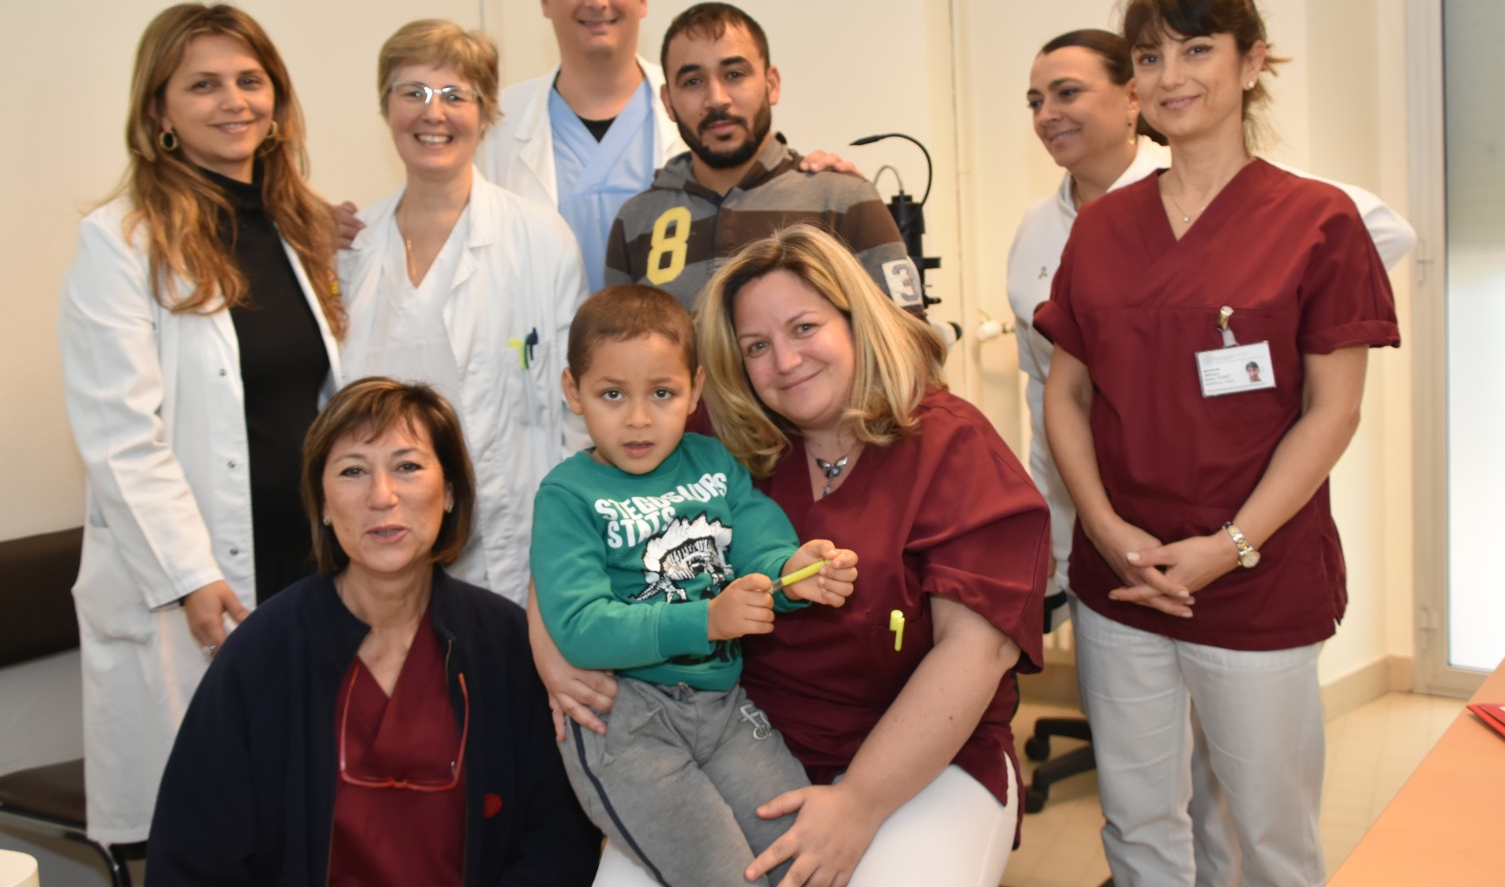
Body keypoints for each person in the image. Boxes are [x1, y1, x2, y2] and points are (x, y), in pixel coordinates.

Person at [1034, 0, 1401, 886]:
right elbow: (1066, 396)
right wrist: (1106, 532)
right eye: (1150, 57)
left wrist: (1229, 547)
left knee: (1267, 836)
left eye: (1197, 49)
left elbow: (1333, 411)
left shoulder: (1318, 222)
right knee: (1138, 826)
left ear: (1252, 61)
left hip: (1256, 579)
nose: (1172, 77)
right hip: (1122, 579)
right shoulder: (1101, 229)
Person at [543, 225, 1049, 886]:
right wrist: (552, 649)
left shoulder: (952, 446)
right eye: (757, 345)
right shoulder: (710, 436)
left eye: (804, 328)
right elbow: (585, 518)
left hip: (921, 758)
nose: (784, 361)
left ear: (855, 321)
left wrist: (859, 803)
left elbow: (975, 654)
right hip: (732, 733)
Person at [1007, 28, 1416, 625]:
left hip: (1234, 525)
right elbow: (1045, 386)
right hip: (1100, 520)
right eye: (1034, 101)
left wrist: (1260, 305)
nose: (1047, 114)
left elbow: (1382, 232)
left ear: (1131, 97)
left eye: (1067, 92)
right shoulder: (1040, 227)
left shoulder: (1221, 185)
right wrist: (1054, 514)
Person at [59, 2, 344, 844]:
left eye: (251, 81)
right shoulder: (120, 241)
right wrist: (188, 575)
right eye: (204, 85)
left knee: (310, 814)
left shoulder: (298, 228)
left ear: (277, 99)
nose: (234, 102)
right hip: (202, 581)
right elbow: (119, 436)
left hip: (307, 567)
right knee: (215, 829)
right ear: (160, 110)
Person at [146, 378, 601, 884]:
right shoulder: (259, 657)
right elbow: (191, 860)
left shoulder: (507, 643)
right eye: (353, 471)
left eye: (407, 467)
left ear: (450, 491)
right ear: (322, 503)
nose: (382, 496)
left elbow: (561, 837)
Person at [532, 284, 859, 887]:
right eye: (612, 394)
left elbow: (758, 544)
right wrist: (706, 620)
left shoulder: (713, 463)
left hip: (725, 708)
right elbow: (579, 627)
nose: (638, 418)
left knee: (803, 855)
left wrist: (793, 573)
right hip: (625, 723)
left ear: (695, 389)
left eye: (662, 393)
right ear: (573, 392)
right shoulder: (566, 494)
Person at [340, 19, 585, 604]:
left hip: (517, 551)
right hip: (382, 548)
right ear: (386, 107)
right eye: (413, 92)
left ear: (486, 111)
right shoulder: (350, 250)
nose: (434, 112)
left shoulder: (541, 238)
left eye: (455, 94)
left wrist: (571, 558)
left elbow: (576, 414)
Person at [473, 0, 854, 287]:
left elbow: (762, 184)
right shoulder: (495, 123)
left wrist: (822, 180)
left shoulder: (698, 107)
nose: (597, 0)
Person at [604, 3, 924, 312]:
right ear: (668, 102)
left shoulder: (845, 200)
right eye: (693, 82)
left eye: (734, 74)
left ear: (772, 85)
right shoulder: (635, 221)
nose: (716, 99)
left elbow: (910, 339)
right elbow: (615, 345)